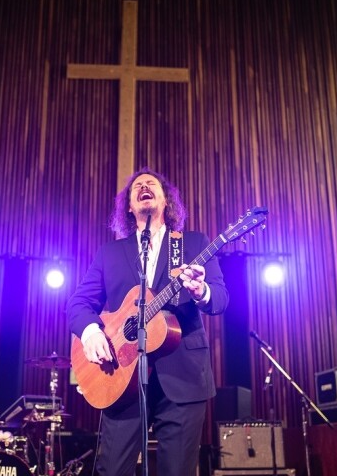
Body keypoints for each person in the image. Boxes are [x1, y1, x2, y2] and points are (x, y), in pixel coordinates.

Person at [66, 167, 229, 476]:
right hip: (121, 376)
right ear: (129, 206)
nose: (143, 186)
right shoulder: (110, 253)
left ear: (165, 200)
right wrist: (91, 333)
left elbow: (220, 300)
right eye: (136, 186)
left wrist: (200, 290)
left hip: (183, 377)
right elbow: (78, 303)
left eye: (150, 184)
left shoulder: (193, 244)